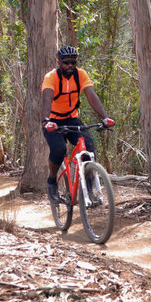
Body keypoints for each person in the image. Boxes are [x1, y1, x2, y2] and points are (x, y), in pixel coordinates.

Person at [41, 45, 114, 204]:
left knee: (88, 148)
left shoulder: (80, 75)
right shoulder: (51, 77)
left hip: (72, 119)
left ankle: (88, 191)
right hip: (52, 121)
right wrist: (46, 120)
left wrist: (105, 117)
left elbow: (91, 96)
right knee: (59, 149)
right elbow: (47, 99)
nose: (70, 66)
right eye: (66, 62)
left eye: (73, 62)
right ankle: (52, 181)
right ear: (59, 62)